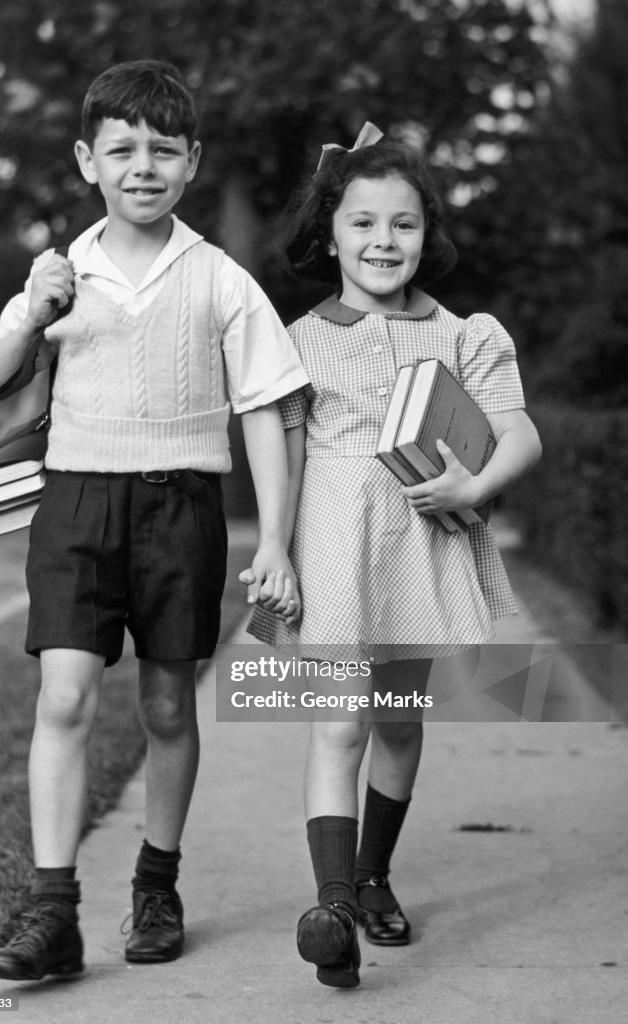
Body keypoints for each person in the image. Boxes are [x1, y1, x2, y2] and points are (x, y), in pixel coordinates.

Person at [0, 59, 306, 982]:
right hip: (77, 503)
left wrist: (274, 538)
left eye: (163, 150)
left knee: (168, 704)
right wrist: (33, 316)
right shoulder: (60, 272)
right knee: (67, 696)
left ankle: (156, 884)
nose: (142, 167)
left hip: (180, 506)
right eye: (121, 150)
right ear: (88, 160)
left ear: (191, 161)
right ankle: (55, 915)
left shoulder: (220, 280)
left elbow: (268, 407)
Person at [244, 124, 542, 989]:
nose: (383, 242)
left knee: (400, 720)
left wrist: (471, 487)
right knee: (338, 723)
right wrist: (273, 549)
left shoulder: (465, 335)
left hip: (418, 545)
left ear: (426, 233)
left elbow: (518, 432)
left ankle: (372, 873)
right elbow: (286, 458)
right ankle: (332, 907)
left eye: (402, 224)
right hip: (334, 545)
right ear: (330, 233)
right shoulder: (297, 341)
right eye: (363, 223)